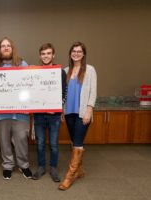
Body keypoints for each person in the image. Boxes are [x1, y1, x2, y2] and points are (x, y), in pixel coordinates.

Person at [0, 37, 32, 180]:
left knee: (21, 139)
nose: (6, 47)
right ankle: (7, 165)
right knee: (4, 141)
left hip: (20, 113)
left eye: (8, 45)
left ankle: (23, 165)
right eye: (3, 46)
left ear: (12, 48)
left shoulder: (22, 64)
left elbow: (31, 85)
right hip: (0, 114)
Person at [58, 42, 97, 190]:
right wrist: (62, 110)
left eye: (79, 51)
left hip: (82, 113)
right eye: (74, 51)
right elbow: (63, 93)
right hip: (69, 112)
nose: (76, 53)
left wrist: (89, 110)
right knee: (74, 141)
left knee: (78, 142)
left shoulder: (90, 70)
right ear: (70, 53)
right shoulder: (66, 70)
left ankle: (70, 175)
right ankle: (79, 169)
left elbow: (93, 92)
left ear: (83, 54)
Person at [32, 43, 67, 182]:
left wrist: (58, 107)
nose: (45, 56)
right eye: (43, 54)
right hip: (39, 114)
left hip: (54, 115)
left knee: (53, 144)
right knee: (40, 143)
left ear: (53, 55)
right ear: (40, 56)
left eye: (48, 53)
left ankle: (53, 168)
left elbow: (64, 92)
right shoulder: (35, 71)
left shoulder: (60, 72)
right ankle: (41, 167)